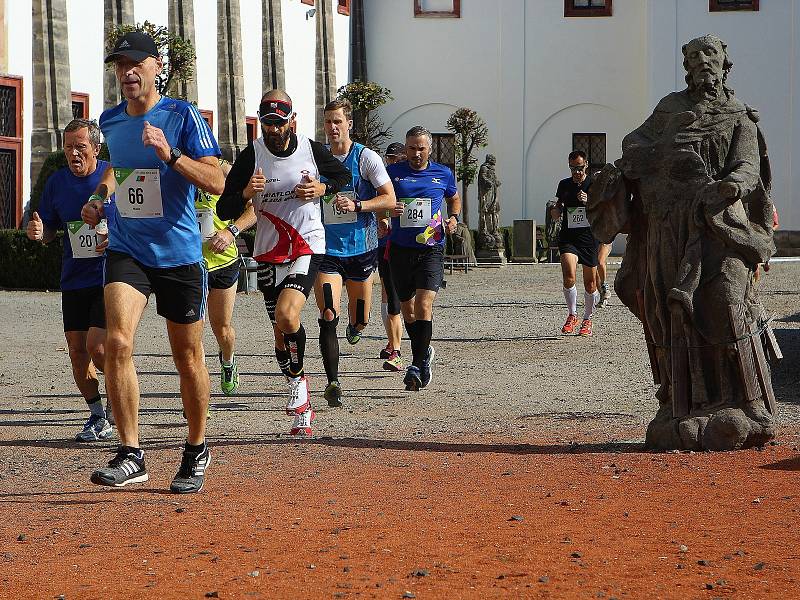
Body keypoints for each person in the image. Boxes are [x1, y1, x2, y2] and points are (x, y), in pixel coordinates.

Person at [81, 31, 225, 492]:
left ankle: (197, 446)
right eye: (119, 66)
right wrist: (101, 197)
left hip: (179, 253)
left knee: (187, 356)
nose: (126, 73)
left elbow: (217, 180)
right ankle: (131, 452)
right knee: (117, 344)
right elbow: (114, 167)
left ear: (156, 66)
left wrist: (172, 154)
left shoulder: (182, 115)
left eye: (134, 64)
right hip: (127, 248)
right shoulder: (110, 120)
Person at [217, 89, 351, 435]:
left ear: (292, 121)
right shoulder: (252, 156)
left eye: (279, 123)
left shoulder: (311, 148)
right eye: (267, 123)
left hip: (307, 244)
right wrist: (246, 193)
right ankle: (300, 391)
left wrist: (322, 189)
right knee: (281, 333)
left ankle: (299, 389)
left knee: (288, 314)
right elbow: (223, 208)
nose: (273, 130)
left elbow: (343, 177)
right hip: (268, 251)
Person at [27, 118, 112, 442]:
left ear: (96, 148)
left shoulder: (110, 176)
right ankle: (97, 415)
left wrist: (115, 236)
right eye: (68, 148)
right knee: (78, 351)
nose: (73, 154)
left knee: (100, 347)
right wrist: (40, 233)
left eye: (80, 147)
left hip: (109, 276)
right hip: (74, 277)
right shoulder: (56, 183)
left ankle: (121, 400)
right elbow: (48, 229)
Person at [316, 99, 397, 406]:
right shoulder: (317, 157)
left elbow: (389, 198)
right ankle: (333, 382)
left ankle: (356, 326)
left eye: (338, 121)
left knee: (360, 318)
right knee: (327, 314)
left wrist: (359, 205)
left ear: (349, 123)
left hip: (361, 250)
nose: (333, 127)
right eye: (328, 122)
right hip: (326, 250)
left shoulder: (366, 158)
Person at [387, 126, 461, 391]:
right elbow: (381, 199)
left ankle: (417, 364)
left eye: (421, 148)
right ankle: (424, 352)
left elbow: (454, 198)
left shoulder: (443, 173)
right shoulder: (394, 173)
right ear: (405, 149)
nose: (416, 153)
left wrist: (454, 218)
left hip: (432, 247)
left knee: (424, 304)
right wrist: (387, 211)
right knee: (407, 310)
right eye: (411, 148)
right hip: (400, 248)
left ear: (429, 149)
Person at [195, 160, 256, 398]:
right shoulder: (174, 165)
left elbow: (253, 208)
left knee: (222, 329)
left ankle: (228, 361)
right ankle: (198, 394)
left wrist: (231, 232)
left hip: (222, 261)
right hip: (189, 264)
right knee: (192, 333)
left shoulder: (226, 170)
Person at [551, 150, 599, 337]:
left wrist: (590, 200)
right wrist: (555, 211)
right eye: (573, 168)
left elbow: (603, 206)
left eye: (579, 168)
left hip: (589, 237)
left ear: (586, 164)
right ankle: (572, 314)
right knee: (569, 275)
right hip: (569, 236)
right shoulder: (564, 185)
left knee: (590, 283)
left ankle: (588, 318)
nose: (577, 172)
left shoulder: (593, 184)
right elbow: (559, 205)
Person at [377, 142, 406, 371]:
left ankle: (402, 346)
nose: (392, 162)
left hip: (408, 246)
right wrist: (382, 217)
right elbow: (378, 205)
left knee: (406, 299)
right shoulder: (382, 180)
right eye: (390, 159)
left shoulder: (408, 181)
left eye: (396, 159)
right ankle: (393, 344)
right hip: (384, 244)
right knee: (388, 295)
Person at [595, 242, 612, 308]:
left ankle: (604, 286)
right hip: (590, 240)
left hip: (605, 240)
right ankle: (602, 296)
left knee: (599, 261)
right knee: (594, 269)